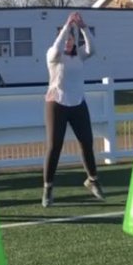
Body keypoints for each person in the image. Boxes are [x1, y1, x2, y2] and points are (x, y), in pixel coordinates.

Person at [42, 11, 104, 208]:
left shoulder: (79, 57)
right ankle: (48, 188)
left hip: (78, 102)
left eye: (71, 39)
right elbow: (57, 46)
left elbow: (93, 49)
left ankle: (92, 180)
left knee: (87, 141)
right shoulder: (53, 55)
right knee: (55, 146)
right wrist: (67, 26)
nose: (69, 42)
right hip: (57, 103)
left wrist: (83, 27)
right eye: (66, 38)